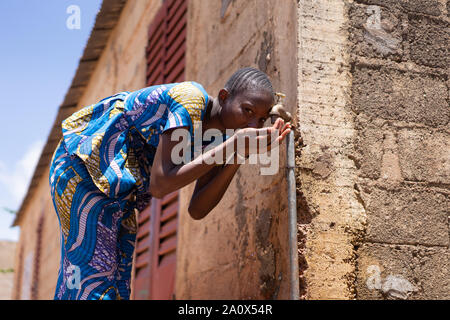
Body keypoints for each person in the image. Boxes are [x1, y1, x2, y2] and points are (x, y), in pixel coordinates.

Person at [48, 67, 291, 300]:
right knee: (93, 274)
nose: (252, 125)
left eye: (260, 120)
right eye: (247, 111)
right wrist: (233, 146)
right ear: (224, 97)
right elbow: (160, 185)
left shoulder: (220, 140)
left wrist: (239, 155)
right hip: (83, 166)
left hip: (118, 192)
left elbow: (197, 209)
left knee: (116, 280)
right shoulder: (190, 99)